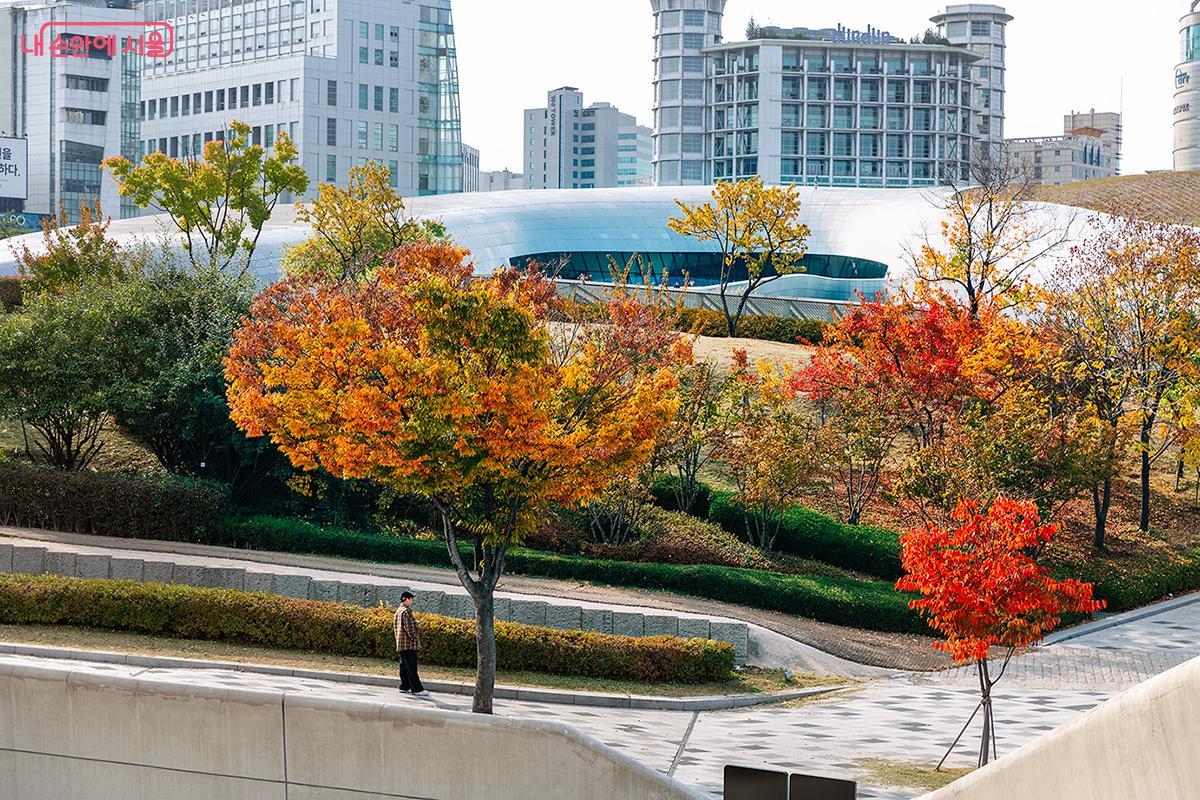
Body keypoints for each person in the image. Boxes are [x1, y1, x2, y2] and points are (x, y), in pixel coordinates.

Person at [394, 591, 428, 696]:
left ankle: (404, 686)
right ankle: (417, 689)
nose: (411, 601)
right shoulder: (406, 611)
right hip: (408, 644)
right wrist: (415, 638)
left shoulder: (398, 611)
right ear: (406, 599)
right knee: (412, 667)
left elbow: (404, 625)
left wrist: (415, 622)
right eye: (410, 599)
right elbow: (409, 628)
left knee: (404, 666)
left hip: (401, 643)